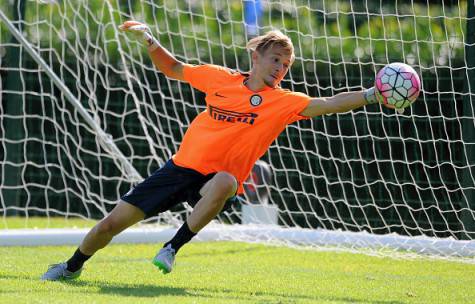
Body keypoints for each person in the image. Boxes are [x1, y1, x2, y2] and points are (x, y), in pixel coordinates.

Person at [40, 20, 385, 281]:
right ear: (256, 56)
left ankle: (172, 247)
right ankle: (71, 268)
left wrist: (372, 94)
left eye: (286, 66)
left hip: (214, 181)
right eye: (276, 60)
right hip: (178, 169)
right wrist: (148, 39)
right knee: (107, 227)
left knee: (224, 182)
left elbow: (329, 103)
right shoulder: (220, 79)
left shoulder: (283, 102)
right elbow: (173, 68)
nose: (280, 69)